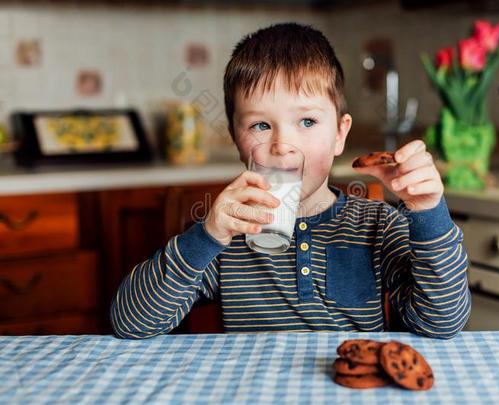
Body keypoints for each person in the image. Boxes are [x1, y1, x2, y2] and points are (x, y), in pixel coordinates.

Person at [111, 22, 470, 338]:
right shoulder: (227, 236)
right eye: (260, 125)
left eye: (307, 122)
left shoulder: (377, 225)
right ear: (237, 141)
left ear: (339, 135)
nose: (283, 146)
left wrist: (428, 213)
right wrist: (207, 236)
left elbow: (442, 322)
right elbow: (130, 322)